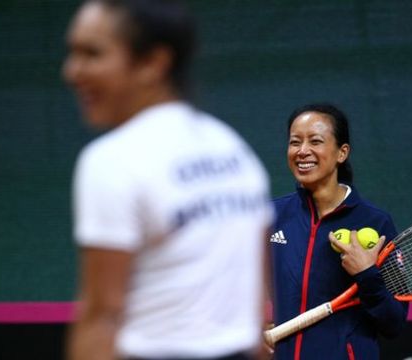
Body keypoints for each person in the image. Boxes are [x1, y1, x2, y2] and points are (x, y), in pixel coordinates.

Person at [62, 1, 274, 359]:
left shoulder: (111, 160)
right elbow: (253, 316)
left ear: (153, 63)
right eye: (73, 53)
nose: (72, 71)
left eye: (92, 54)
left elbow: (102, 319)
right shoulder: (235, 151)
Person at [268, 103, 408, 359]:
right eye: (295, 142)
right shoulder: (271, 217)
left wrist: (367, 275)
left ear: (342, 153)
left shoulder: (376, 223)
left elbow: (394, 322)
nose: (302, 151)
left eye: (316, 141)